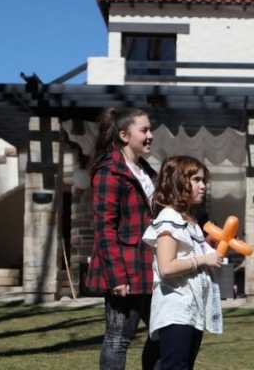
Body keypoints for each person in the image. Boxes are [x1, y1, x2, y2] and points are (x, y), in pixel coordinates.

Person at [84, 107, 159, 370]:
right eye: (145, 130)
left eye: (150, 129)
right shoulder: (109, 172)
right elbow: (104, 228)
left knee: (160, 335)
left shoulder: (146, 171)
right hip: (124, 270)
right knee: (118, 339)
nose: (150, 135)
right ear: (125, 135)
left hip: (151, 268)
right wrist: (116, 278)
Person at [142, 156, 222, 370]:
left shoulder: (192, 222)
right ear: (178, 182)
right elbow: (167, 267)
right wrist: (203, 258)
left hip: (192, 310)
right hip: (176, 310)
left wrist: (208, 249)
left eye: (204, 181)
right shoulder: (169, 218)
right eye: (196, 180)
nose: (203, 186)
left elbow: (189, 256)